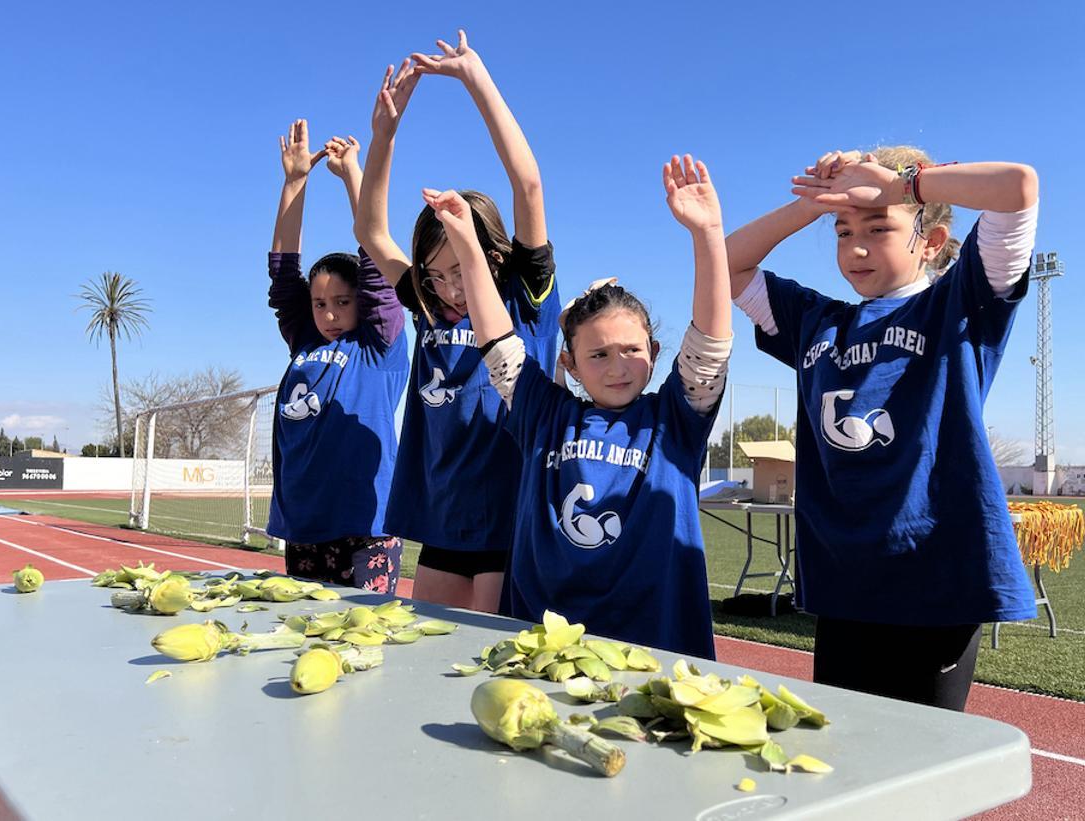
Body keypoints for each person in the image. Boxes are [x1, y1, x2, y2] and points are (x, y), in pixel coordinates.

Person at [726, 146, 1039, 708]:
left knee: (926, 769)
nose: (857, 247)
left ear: (931, 241)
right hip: (845, 579)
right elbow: (725, 264)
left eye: (879, 227)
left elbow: (1018, 187)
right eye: (843, 232)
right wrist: (818, 203)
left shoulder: (961, 301)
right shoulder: (817, 321)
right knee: (847, 759)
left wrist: (905, 187)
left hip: (936, 576)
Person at [418, 152, 731, 657]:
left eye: (632, 350)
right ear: (571, 361)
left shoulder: (674, 420)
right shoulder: (545, 413)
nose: (617, 366)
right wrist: (467, 245)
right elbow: (496, 336)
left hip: (651, 650)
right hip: (542, 647)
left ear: (653, 353)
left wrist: (708, 234)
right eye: (598, 354)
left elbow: (711, 345)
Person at [355, 31, 560, 612]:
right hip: (443, 521)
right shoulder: (428, 309)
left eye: (457, 271)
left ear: (491, 257)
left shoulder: (525, 296)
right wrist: (384, 136)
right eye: (433, 275)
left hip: (511, 518)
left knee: (492, 667)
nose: (447, 288)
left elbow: (528, 184)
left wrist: (475, 78)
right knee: (431, 660)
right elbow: (371, 233)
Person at [265, 118, 408, 593]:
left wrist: (353, 176)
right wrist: (295, 182)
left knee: (362, 646)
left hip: (364, 530)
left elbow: (376, 259)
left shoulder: (377, 344)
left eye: (342, 303)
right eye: (320, 303)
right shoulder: (305, 341)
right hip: (303, 525)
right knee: (305, 642)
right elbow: (285, 278)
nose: (328, 314)